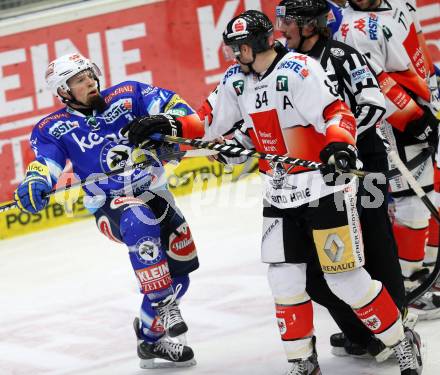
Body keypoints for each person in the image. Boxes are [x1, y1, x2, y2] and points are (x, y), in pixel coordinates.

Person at [123, 10, 423, 375]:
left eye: (240, 47)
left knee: (345, 278)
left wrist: (339, 145)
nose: (235, 55)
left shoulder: (299, 70)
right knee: (284, 280)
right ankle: (302, 360)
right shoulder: (236, 80)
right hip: (279, 194)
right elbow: (206, 120)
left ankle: (401, 340)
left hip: (323, 189)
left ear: (258, 43)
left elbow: (336, 112)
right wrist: (168, 124)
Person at [13, 53, 204, 369]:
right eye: (78, 79)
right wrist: (35, 179)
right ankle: (164, 305)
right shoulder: (52, 127)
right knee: (138, 218)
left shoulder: (129, 95)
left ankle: (149, 340)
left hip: (156, 194)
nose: (89, 81)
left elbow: (183, 113)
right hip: (109, 205)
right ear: (63, 91)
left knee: (181, 274)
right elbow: (45, 163)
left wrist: (168, 126)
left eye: (89, 74)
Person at [275, 0, 414, 361]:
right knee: (320, 266)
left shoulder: (342, 55)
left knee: (374, 243)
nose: (282, 28)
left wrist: (340, 146)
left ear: (310, 25)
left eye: (289, 21)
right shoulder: (283, 65)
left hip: (360, 165)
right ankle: (362, 331)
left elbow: (372, 104)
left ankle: (396, 327)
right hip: (316, 177)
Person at [335, 0, 440, 319]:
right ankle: (406, 284)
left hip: (425, 105)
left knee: (430, 193)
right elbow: (374, 84)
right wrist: (414, 119)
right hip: (395, 123)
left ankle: (423, 268)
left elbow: (417, 53)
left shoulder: (400, 3)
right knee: (411, 202)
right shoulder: (354, 29)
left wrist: (432, 98)